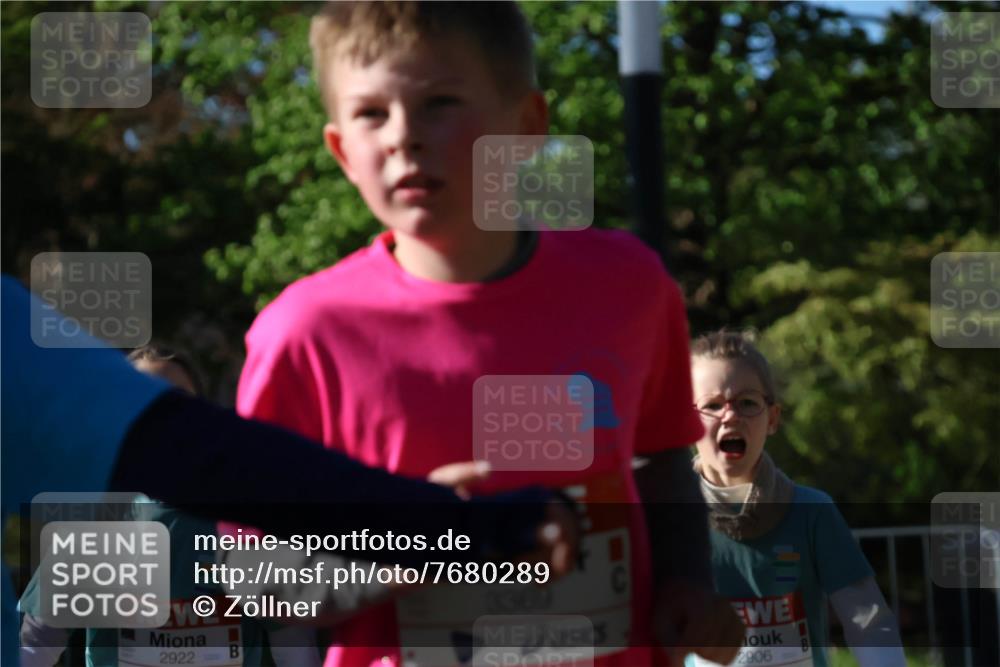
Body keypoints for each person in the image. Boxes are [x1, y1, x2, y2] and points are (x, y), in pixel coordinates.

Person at [232, 2, 742, 665]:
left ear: (526, 126)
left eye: (440, 102)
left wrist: (688, 584)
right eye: (370, 113)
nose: (403, 136)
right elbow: (255, 578)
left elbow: (659, 456)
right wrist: (419, 541)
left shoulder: (631, 287)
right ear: (341, 150)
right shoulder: (305, 335)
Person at [0, 275, 579, 667]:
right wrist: (459, 529)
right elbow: (36, 644)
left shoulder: (236, 529)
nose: (152, 435)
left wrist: (445, 532)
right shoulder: (102, 540)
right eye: (143, 408)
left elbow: (292, 628)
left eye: (171, 409)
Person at [19, 344, 322, 667]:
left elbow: (294, 645)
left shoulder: (248, 525)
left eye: (176, 402)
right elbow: (35, 647)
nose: (160, 418)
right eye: (141, 401)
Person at [684, 330, 907, 667]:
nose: (730, 416)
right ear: (686, 423)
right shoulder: (671, 520)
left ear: (772, 418)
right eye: (712, 405)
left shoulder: (811, 512)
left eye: (747, 402)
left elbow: (870, 623)